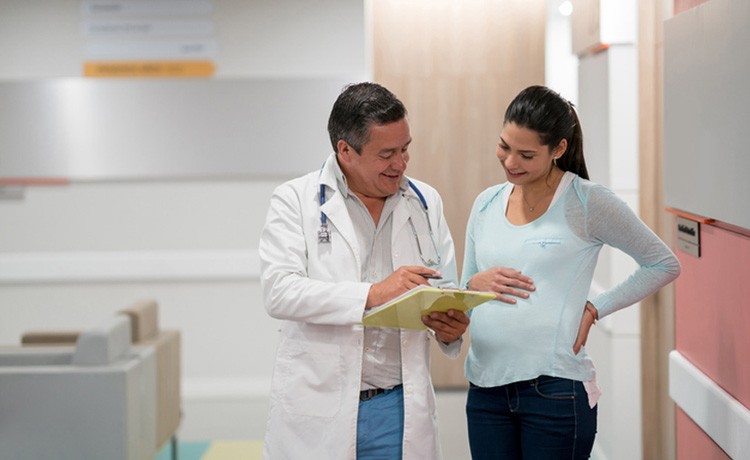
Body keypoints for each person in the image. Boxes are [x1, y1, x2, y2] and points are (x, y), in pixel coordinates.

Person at [460, 85, 681, 459]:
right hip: (485, 390)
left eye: (526, 154)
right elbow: (464, 294)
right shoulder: (486, 204)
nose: (510, 161)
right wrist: (470, 285)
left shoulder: (587, 202)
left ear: (558, 149)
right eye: (504, 146)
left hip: (554, 392)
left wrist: (596, 306)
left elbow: (662, 263)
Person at [259, 82, 470, 459]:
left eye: (406, 149)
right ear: (345, 150)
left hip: (399, 408)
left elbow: (444, 286)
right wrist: (373, 293)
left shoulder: (424, 202)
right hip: (321, 406)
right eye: (387, 153)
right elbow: (280, 291)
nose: (401, 163)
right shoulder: (294, 200)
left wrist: (449, 328)